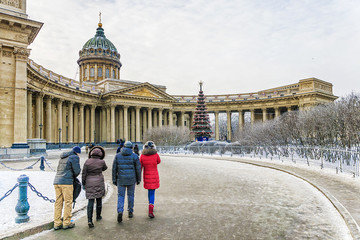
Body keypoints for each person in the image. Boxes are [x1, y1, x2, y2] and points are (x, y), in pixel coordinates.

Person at [112, 141, 141, 223]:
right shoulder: (135, 156)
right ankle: (130, 211)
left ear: (123, 147)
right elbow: (138, 169)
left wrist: (114, 179)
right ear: (131, 147)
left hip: (121, 180)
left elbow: (114, 169)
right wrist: (138, 179)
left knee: (121, 196)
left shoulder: (118, 156)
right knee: (131, 195)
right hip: (131, 179)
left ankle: (120, 211)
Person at [53, 146, 81, 230]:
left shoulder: (63, 157)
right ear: (77, 152)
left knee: (58, 202)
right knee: (68, 202)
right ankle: (66, 222)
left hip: (57, 181)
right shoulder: (74, 157)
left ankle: (57, 223)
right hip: (67, 182)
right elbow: (77, 171)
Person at [82, 146, 108, 228]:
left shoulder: (87, 161)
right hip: (99, 182)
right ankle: (98, 216)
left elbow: (84, 173)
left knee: (90, 201)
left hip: (89, 182)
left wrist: (84, 183)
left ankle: (89, 220)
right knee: (99, 200)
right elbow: (105, 168)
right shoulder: (102, 162)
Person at [140, 141, 161, 218]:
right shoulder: (155, 155)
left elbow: (140, 166)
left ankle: (150, 205)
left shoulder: (142, 156)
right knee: (152, 192)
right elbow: (159, 161)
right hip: (154, 175)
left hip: (147, 175)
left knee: (149, 191)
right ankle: (151, 208)